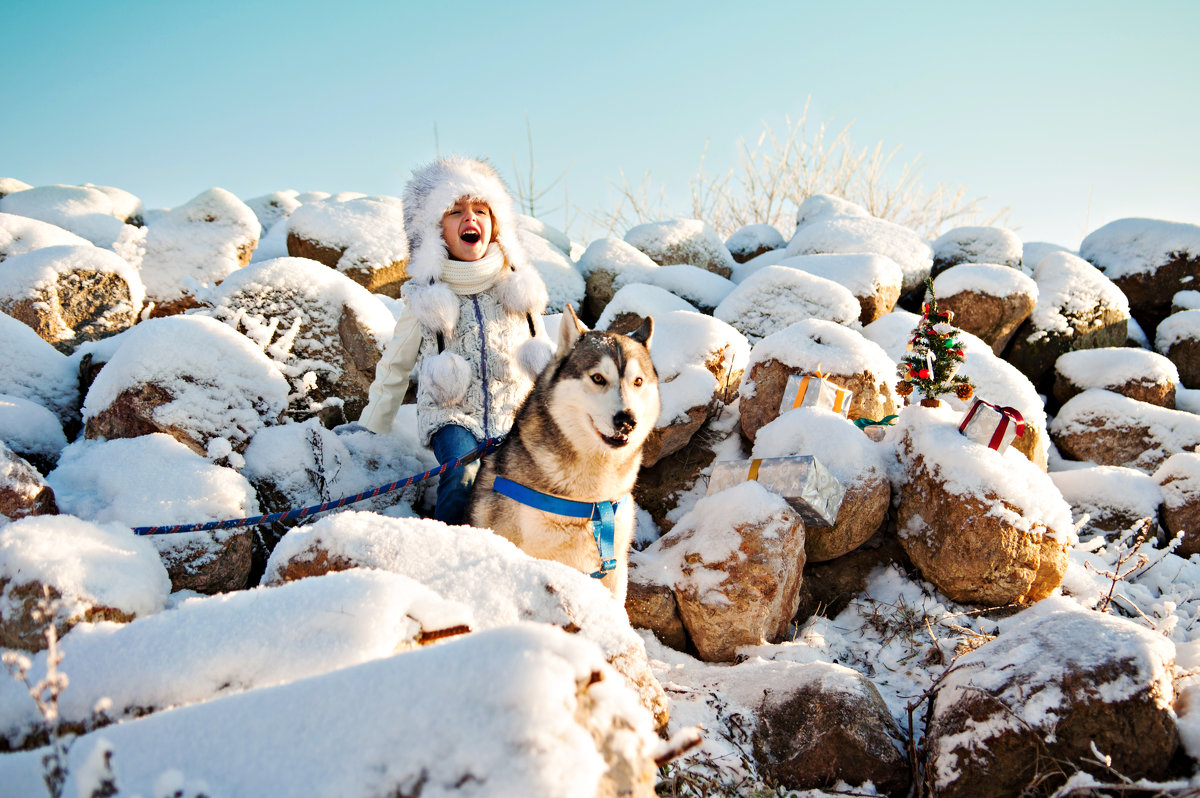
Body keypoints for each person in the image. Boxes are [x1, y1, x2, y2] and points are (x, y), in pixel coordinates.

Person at [358, 156, 553, 525]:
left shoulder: (517, 290)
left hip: (514, 413)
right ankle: (450, 541)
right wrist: (371, 430)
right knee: (464, 472)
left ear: (496, 225)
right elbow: (394, 368)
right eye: (454, 211)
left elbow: (546, 364)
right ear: (434, 230)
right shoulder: (425, 298)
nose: (470, 218)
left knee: (524, 482)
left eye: (481, 208)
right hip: (453, 417)